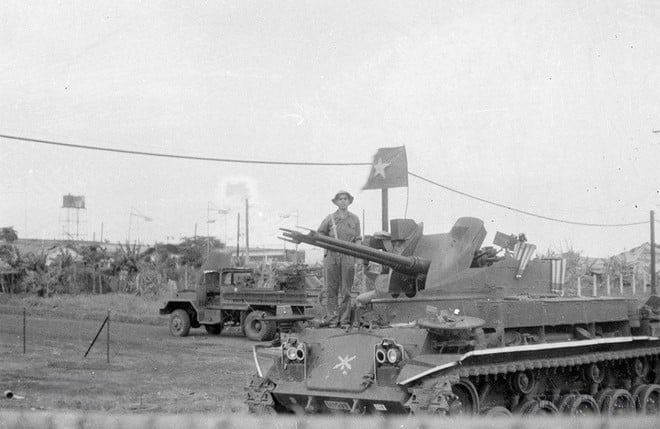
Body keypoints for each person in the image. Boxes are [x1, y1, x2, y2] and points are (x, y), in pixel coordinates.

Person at [318, 190, 361, 328]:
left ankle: (344, 320)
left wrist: (357, 253)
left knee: (346, 291)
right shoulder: (330, 219)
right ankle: (332, 319)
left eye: (345, 199)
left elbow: (358, 239)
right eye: (340, 199)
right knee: (331, 290)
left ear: (349, 201)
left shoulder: (354, 219)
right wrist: (329, 244)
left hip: (348, 256)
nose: (343, 201)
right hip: (332, 255)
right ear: (336, 202)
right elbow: (320, 234)